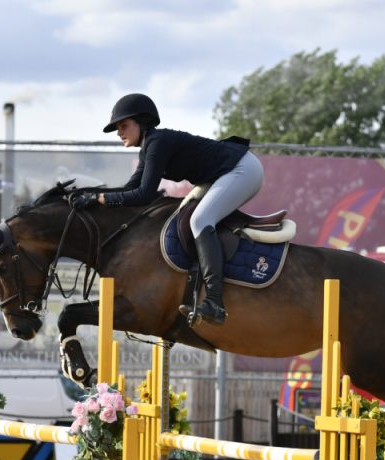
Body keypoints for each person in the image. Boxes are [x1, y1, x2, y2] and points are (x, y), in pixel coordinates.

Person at [71, 93, 264, 325]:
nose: (119, 133)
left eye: (124, 126)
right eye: (117, 128)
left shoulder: (157, 143)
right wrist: (93, 197)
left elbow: (144, 195)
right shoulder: (149, 147)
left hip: (242, 169)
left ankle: (215, 302)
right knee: (193, 217)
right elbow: (130, 189)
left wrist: (100, 198)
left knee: (200, 221)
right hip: (227, 173)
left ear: (142, 122)